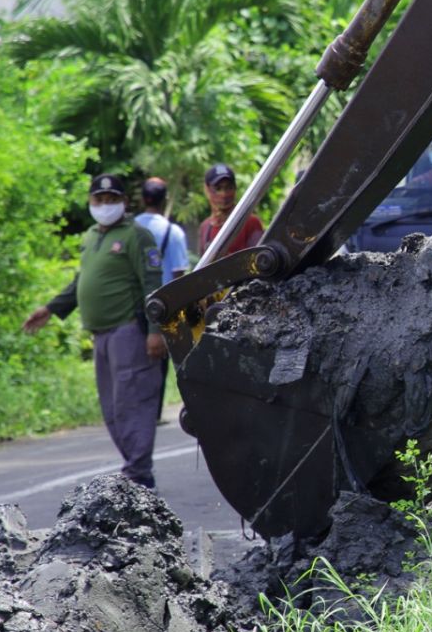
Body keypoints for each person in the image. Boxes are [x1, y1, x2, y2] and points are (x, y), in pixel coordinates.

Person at [22, 174, 165, 489]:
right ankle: (134, 470)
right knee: (112, 407)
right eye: (98, 200)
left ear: (124, 202)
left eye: (111, 199)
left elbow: (153, 285)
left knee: (133, 401)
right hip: (100, 334)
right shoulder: (89, 236)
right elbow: (81, 281)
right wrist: (50, 308)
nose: (104, 205)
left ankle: (139, 474)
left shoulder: (136, 236)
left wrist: (156, 331)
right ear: (90, 202)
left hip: (129, 330)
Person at [135, 177, 188, 422]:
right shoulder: (173, 232)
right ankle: (153, 412)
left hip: (134, 303)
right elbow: (179, 274)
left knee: (135, 356)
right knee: (160, 360)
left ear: (141, 198)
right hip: (164, 305)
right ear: (165, 198)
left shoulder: (129, 229)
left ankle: (136, 408)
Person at [197, 164, 263, 257]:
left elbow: (259, 260)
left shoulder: (250, 222)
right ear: (207, 190)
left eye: (228, 188)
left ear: (235, 188)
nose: (224, 194)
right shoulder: (205, 227)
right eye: (218, 189)